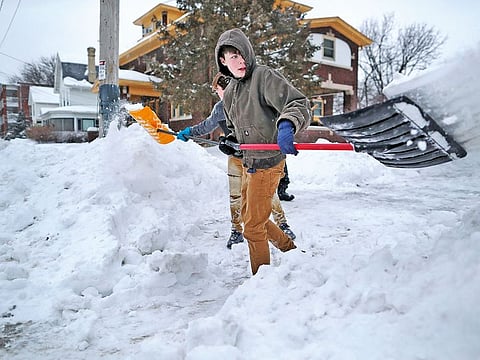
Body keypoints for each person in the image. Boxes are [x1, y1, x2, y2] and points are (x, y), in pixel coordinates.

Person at [215, 28, 311, 275]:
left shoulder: (263, 77)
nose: (240, 61)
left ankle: (262, 281)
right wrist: (230, 141)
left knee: (252, 227)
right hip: (250, 163)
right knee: (253, 218)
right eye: (233, 57)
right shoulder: (230, 94)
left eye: (242, 54)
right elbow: (237, 132)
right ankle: (290, 252)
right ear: (223, 62)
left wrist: (288, 124)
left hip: (268, 163)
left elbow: (298, 103)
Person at [176, 72, 296, 249]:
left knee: (266, 194)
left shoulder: (249, 103)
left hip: (255, 158)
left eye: (217, 90)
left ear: (225, 87)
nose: (217, 94)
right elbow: (207, 125)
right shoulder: (219, 108)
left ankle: (282, 224)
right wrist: (189, 132)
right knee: (235, 195)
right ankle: (236, 230)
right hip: (235, 157)